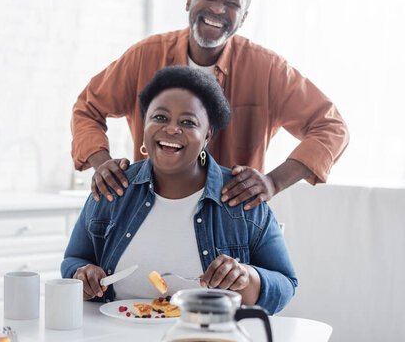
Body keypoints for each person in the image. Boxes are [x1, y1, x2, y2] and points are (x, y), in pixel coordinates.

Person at [71, 0, 349, 210]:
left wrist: (273, 182)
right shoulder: (146, 55)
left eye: (232, 3)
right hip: (151, 208)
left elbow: (331, 128)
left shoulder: (268, 69)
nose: (218, 9)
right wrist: (102, 163)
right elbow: (87, 108)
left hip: (229, 218)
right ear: (189, 0)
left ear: (244, 18)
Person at [62, 66, 297, 315]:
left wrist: (246, 278)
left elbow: (285, 285)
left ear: (207, 135)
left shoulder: (241, 196)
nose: (172, 129)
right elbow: (73, 261)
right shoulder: (113, 187)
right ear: (145, 125)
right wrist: (82, 275)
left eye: (188, 122)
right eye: (160, 118)